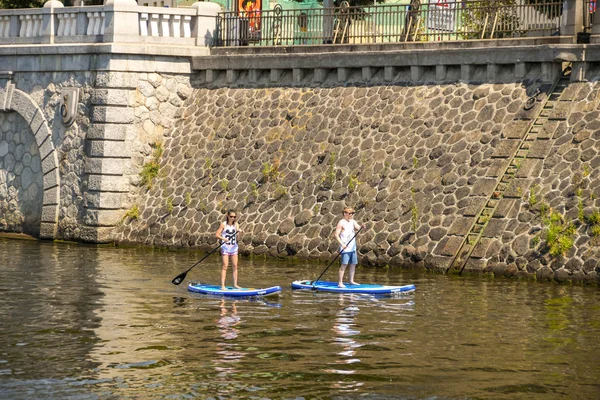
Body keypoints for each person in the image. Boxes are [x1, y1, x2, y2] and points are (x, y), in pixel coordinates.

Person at [334, 207, 363, 288]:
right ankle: (340, 283)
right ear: (345, 213)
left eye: (352, 213)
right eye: (350, 213)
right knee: (344, 264)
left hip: (353, 247)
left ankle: (351, 281)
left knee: (353, 264)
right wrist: (342, 244)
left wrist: (362, 226)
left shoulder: (353, 222)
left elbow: (358, 227)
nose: (351, 215)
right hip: (345, 248)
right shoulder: (341, 222)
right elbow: (336, 235)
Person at [215, 210, 242, 290]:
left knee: (235, 266)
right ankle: (223, 286)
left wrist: (239, 232)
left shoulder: (236, 224)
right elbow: (217, 234)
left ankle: (235, 284)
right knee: (225, 266)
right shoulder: (223, 224)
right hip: (225, 248)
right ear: (228, 216)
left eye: (234, 217)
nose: (232, 218)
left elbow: (238, 234)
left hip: (234, 248)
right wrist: (224, 238)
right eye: (231, 216)